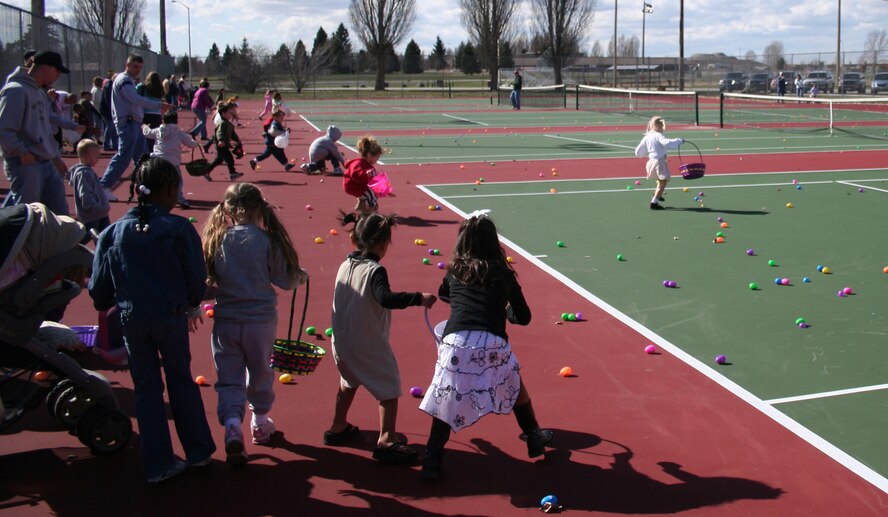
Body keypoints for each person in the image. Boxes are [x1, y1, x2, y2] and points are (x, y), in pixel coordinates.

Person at [88, 157, 216, 484]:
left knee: (146, 389)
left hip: (133, 319)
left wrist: (108, 302)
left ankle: (158, 464)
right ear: (171, 189)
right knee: (180, 381)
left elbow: (99, 289)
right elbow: (195, 278)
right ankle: (198, 451)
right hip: (169, 316)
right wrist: (190, 303)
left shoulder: (112, 233)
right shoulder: (178, 228)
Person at [419, 213, 553, 481]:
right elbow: (523, 316)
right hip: (491, 342)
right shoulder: (503, 273)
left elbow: (445, 294)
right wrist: (503, 310)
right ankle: (534, 437)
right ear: (494, 242)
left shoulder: (455, 270)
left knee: (447, 397)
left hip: (455, 343)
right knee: (514, 384)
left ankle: (432, 459)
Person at [201, 182, 307, 465]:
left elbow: (206, 284)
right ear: (258, 208)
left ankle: (233, 424)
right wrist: (299, 276)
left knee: (229, 377)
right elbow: (284, 280)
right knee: (261, 371)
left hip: (226, 320)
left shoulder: (218, 238)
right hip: (260, 321)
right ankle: (260, 421)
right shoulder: (265, 240)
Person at [326, 212, 437, 464]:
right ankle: (387, 439)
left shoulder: (345, 265)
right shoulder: (375, 271)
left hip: (342, 340)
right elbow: (385, 298)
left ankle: (337, 425)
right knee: (388, 387)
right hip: (367, 342)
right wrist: (418, 297)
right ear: (382, 244)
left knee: (348, 381)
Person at [0, 50, 77, 215]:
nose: (58, 76)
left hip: (46, 161)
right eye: (57, 71)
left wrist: (55, 156)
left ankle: (58, 241)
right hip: (27, 165)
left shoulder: (39, 92)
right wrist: (22, 152)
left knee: (59, 214)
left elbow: (44, 130)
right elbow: (4, 130)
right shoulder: (16, 90)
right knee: (27, 216)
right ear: (46, 68)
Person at [99, 54, 173, 202]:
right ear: (127, 65)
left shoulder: (128, 81)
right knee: (124, 156)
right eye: (135, 66)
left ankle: (146, 187)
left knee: (143, 157)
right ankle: (103, 186)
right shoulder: (124, 80)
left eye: (140, 67)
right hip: (128, 124)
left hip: (134, 123)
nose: (137, 70)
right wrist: (159, 105)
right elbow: (135, 99)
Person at [142, 110, 198, 208]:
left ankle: (152, 198)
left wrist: (144, 126)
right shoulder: (178, 132)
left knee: (157, 180)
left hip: (158, 160)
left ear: (163, 120)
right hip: (173, 161)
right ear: (176, 121)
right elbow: (190, 143)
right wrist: (195, 143)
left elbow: (148, 133)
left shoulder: (158, 131)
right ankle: (180, 199)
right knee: (177, 181)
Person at [634, 116, 683, 210]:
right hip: (659, 162)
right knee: (663, 182)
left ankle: (657, 194)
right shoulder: (658, 135)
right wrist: (679, 140)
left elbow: (638, 152)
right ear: (659, 126)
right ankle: (654, 202)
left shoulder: (647, 136)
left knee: (660, 181)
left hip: (651, 162)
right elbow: (667, 143)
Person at [67, 139, 110, 240]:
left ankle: (103, 254)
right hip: (93, 214)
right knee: (88, 236)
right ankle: (72, 249)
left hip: (99, 213)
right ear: (85, 157)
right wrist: (96, 207)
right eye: (95, 156)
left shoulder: (88, 171)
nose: (98, 158)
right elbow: (85, 195)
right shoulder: (83, 173)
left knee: (104, 236)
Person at [343, 135, 386, 216]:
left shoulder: (368, 165)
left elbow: (374, 180)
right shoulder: (357, 164)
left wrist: (384, 190)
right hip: (353, 186)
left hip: (359, 184)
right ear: (369, 155)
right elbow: (355, 175)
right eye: (377, 158)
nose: (377, 160)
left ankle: (363, 203)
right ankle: (371, 210)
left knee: (372, 189)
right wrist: (365, 175)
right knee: (371, 193)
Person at [202, 103, 244, 182]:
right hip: (221, 145)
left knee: (219, 160)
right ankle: (232, 173)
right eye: (229, 113)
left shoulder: (229, 124)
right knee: (230, 159)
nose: (230, 115)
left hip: (224, 144)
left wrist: (237, 140)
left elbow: (233, 134)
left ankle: (206, 171)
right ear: (223, 113)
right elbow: (219, 133)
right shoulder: (223, 124)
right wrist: (221, 140)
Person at [137, 71, 165, 151]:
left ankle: (145, 155)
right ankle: (152, 153)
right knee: (155, 137)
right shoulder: (160, 88)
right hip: (156, 115)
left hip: (145, 114)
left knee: (144, 136)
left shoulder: (142, 87)